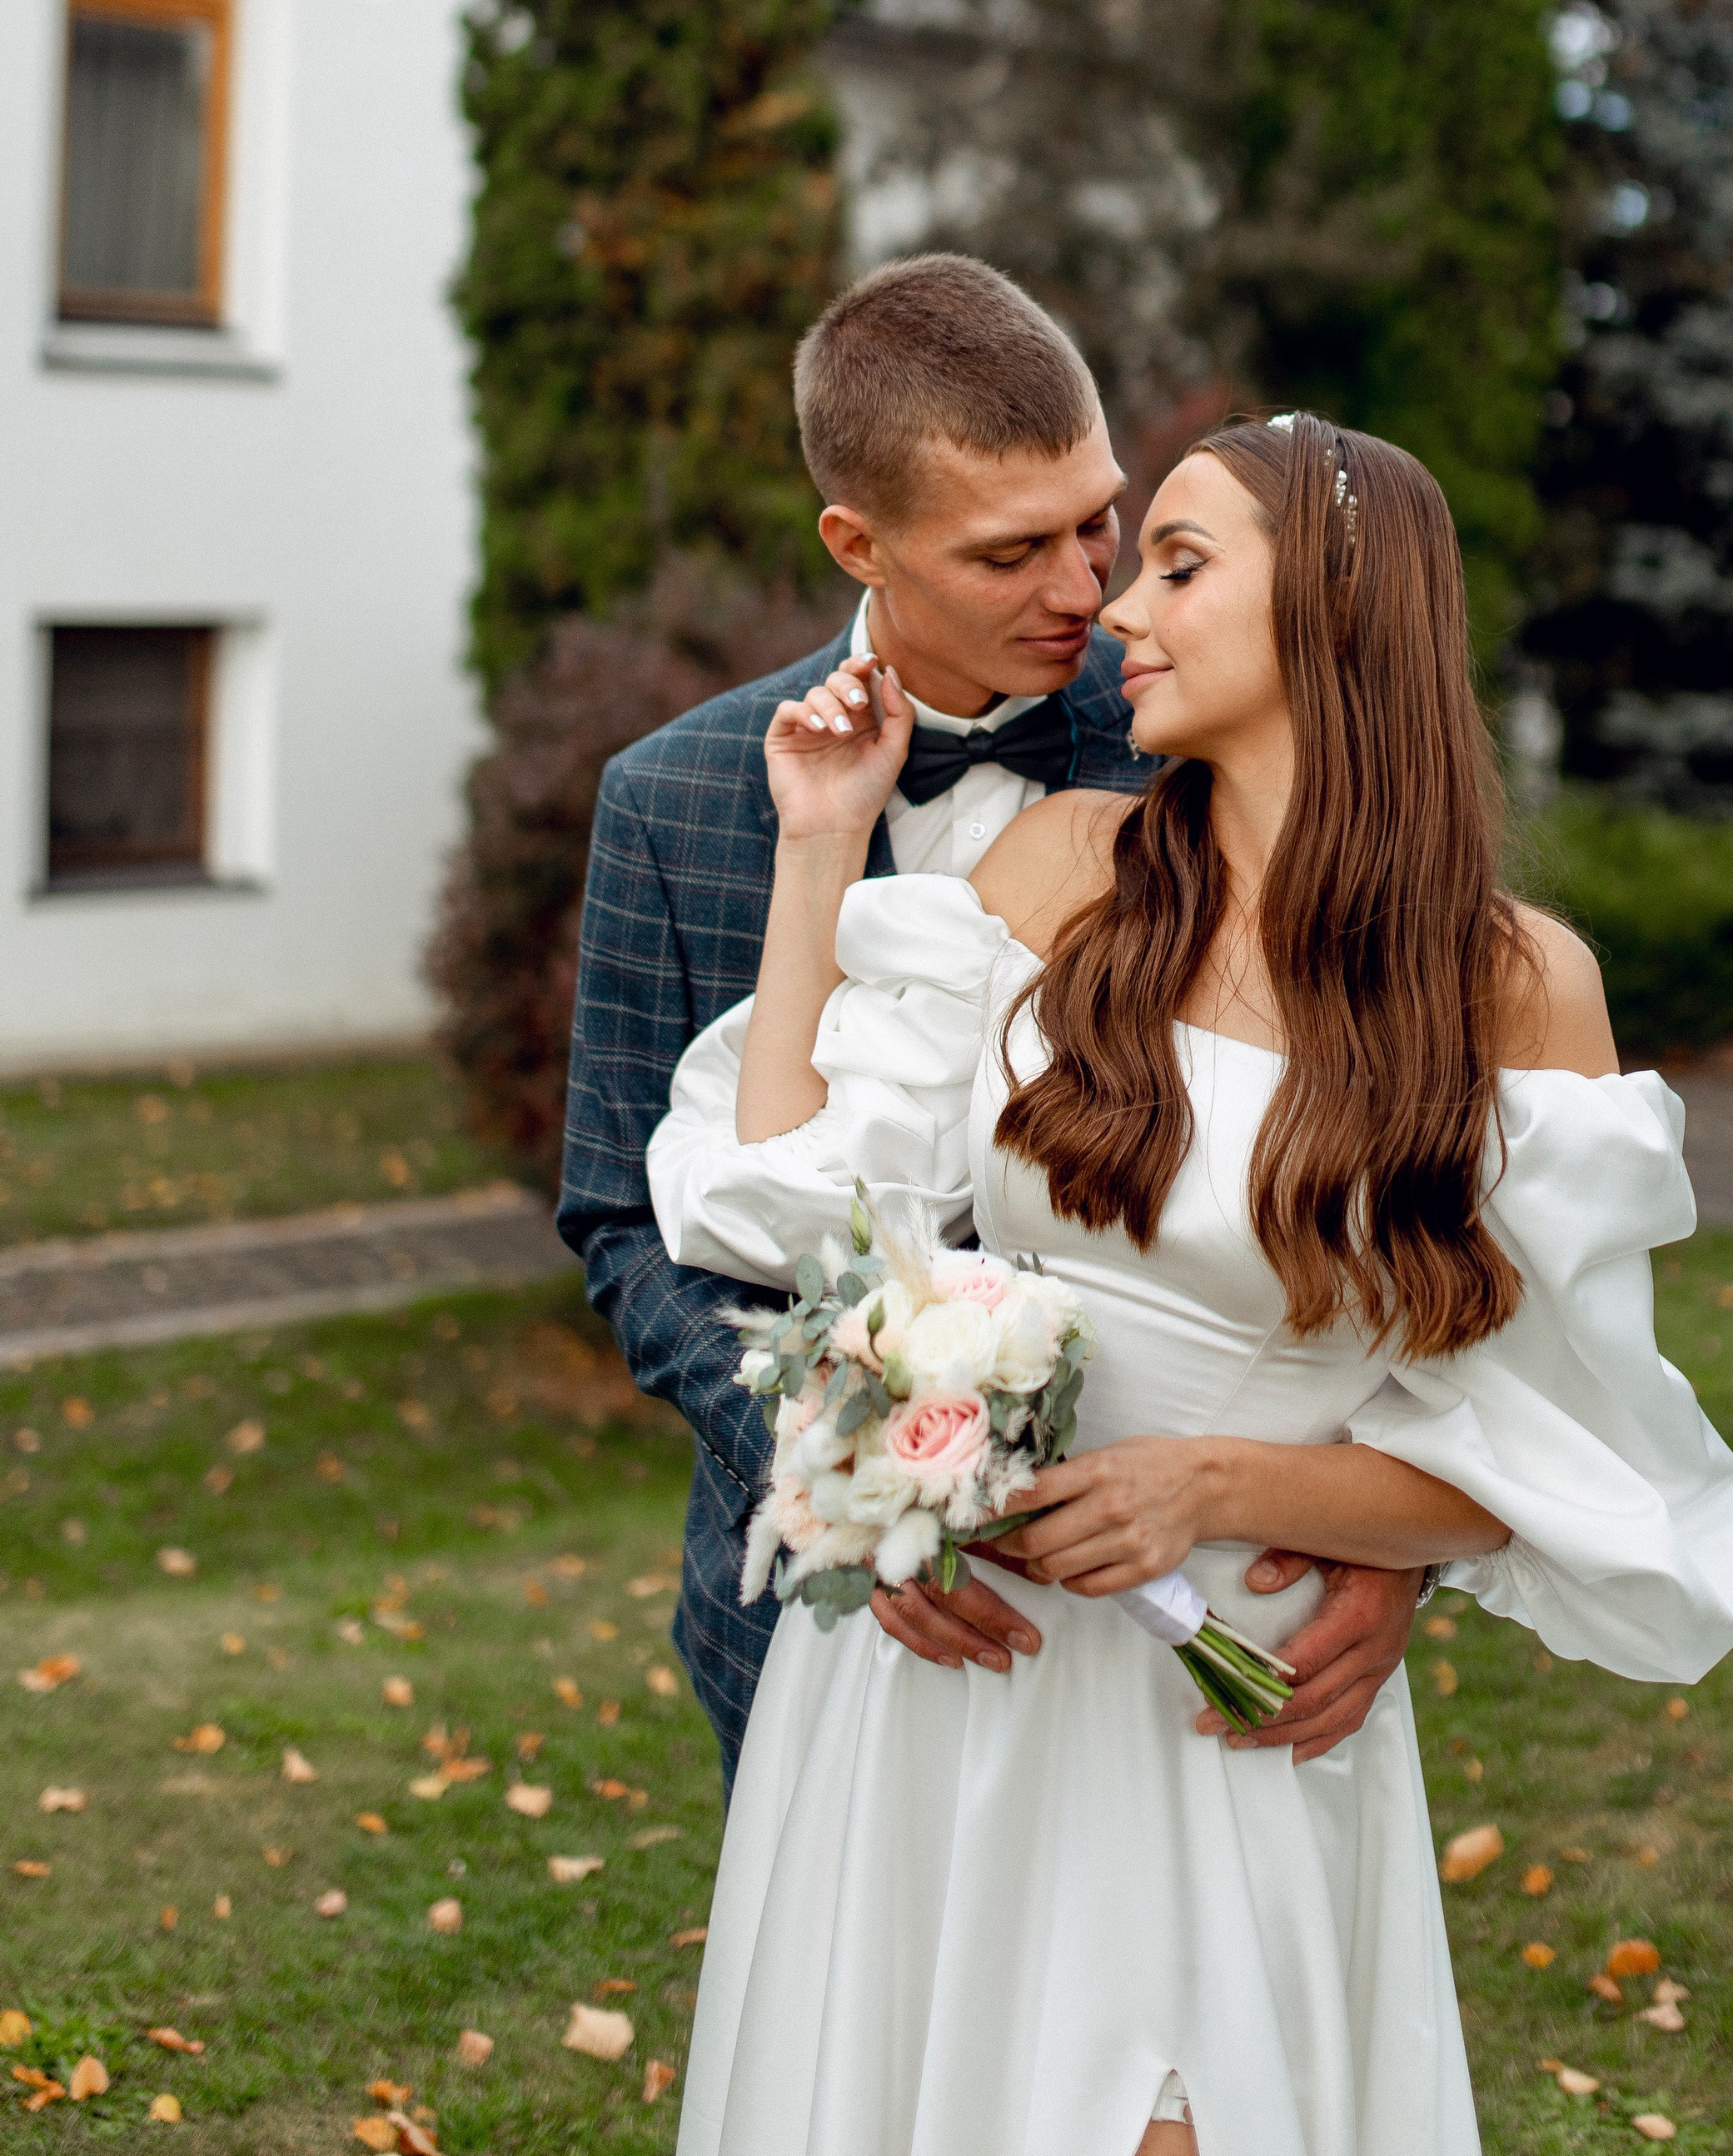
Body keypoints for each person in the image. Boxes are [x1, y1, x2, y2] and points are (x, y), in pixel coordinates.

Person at [650, 413, 1733, 2156]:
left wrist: (1226, 1487)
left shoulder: (1513, 990)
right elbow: (798, 1213)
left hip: (1223, 1697)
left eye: (1173, 564)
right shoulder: (1063, 871)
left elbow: (1548, 1457)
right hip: (954, 1685)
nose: (1112, 616)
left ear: (1332, 601)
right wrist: (820, 844)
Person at [557, 256, 1431, 1782]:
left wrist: (1388, 1535)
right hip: (822, 1616)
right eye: (1013, 552)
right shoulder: (675, 803)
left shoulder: (1201, 737)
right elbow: (626, 1223)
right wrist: (856, 1486)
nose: (1088, 589)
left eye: (1099, 521)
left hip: (1195, 1617)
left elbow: (1392, 1173)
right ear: (858, 541)